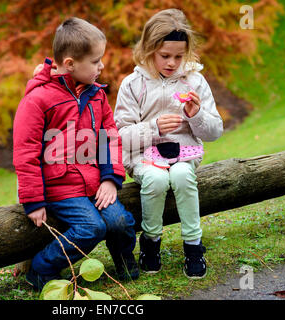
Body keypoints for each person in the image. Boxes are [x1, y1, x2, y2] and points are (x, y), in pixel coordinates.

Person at [13, 17, 139, 291]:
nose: (101, 66)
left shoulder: (97, 95)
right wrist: (33, 200)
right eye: (95, 61)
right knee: (92, 228)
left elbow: (110, 137)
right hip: (60, 187)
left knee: (119, 221)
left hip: (94, 182)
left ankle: (124, 257)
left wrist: (109, 178)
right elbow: (26, 152)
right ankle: (42, 267)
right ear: (70, 64)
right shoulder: (38, 100)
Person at [114, 8, 223, 279]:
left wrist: (195, 115)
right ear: (149, 50)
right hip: (143, 155)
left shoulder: (194, 81)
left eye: (178, 56)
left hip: (184, 152)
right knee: (156, 179)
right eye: (165, 56)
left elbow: (215, 131)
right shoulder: (133, 84)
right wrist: (153, 128)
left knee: (183, 176)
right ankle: (151, 243)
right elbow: (121, 136)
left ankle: (193, 245)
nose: (172, 63)